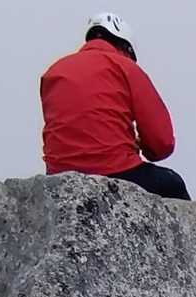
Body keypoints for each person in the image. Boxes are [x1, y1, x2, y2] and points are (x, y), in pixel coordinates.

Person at [41, 13, 188, 200]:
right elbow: (161, 143)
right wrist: (141, 145)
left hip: (59, 175)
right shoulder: (125, 67)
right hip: (115, 169)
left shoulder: (53, 71)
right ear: (126, 47)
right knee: (172, 184)